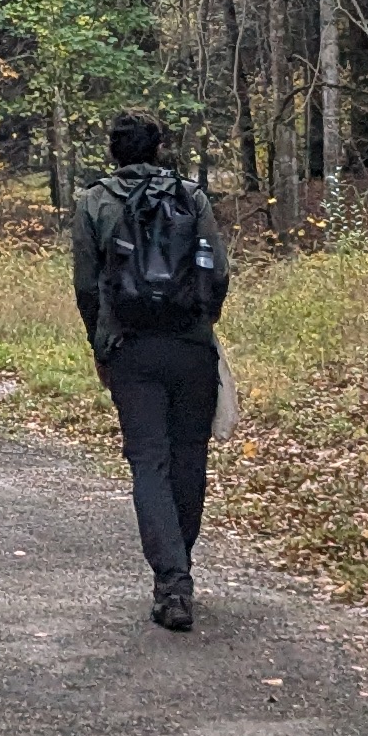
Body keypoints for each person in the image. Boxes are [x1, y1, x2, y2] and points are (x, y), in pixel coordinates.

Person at [72, 113, 228, 631]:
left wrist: (102, 346)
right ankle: (179, 570)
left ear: (113, 152)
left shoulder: (94, 201)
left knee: (149, 462)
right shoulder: (193, 197)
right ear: (159, 148)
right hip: (191, 347)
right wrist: (201, 325)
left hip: (131, 350)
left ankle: (172, 581)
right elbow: (218, 272)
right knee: (189, 457)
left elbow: (88, 286)